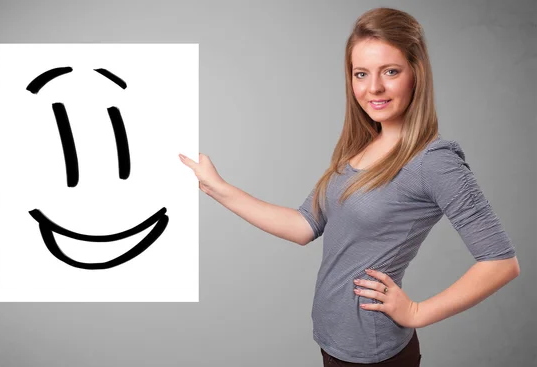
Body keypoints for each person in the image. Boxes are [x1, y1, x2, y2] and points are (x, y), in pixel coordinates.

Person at [178, 7, 520, 366]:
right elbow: (302, 225)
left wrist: (417, 311)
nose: (374, 87)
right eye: (361, 74)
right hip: (334, 340)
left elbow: (501, 263)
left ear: (416, 74)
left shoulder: (434, 161)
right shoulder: (360, 148)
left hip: (373, 352)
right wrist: (218, 188)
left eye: (390, 71)